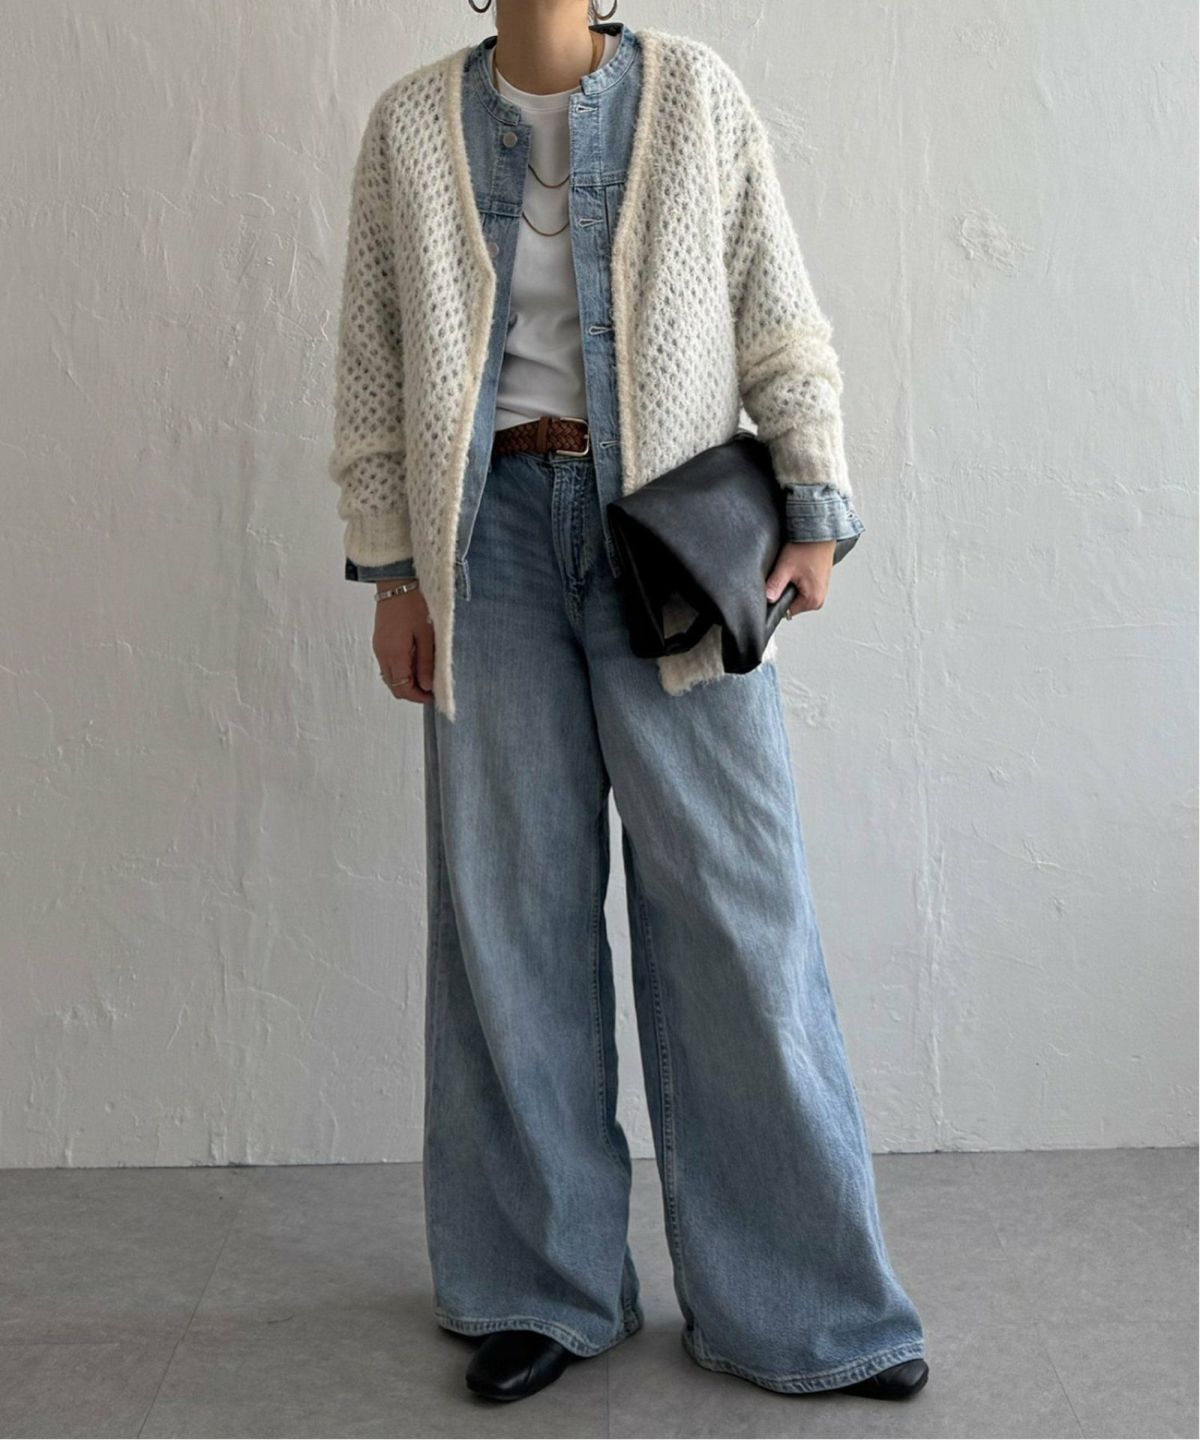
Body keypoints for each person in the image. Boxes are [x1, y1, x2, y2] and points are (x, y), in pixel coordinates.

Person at [327, 0, 929, 1406]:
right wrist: (394, 571)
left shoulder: (696, 96)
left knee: (740, 915)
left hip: (671, 543)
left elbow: (778, 314)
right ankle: (540, 1285)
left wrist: (815, 502)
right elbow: (372, 365)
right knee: (510, 920)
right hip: (487, 549)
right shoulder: (410, 127)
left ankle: (807, 1310)